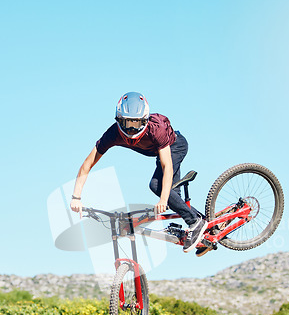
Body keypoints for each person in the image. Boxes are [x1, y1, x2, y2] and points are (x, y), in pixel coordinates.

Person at [70, 91, 208, 253]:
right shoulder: (112, 134)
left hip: (175, 147)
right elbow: (87, 164)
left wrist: (163, 198)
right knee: (174, 199)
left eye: (135, 124)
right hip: (156, 152)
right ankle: (206, 232)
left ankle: (195, 222)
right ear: (118, 120)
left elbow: (167, 166)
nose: (130, 129)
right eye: (126, 123)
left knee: (157, 186)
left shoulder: (157, 131)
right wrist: (76, 197)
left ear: (145, 121)